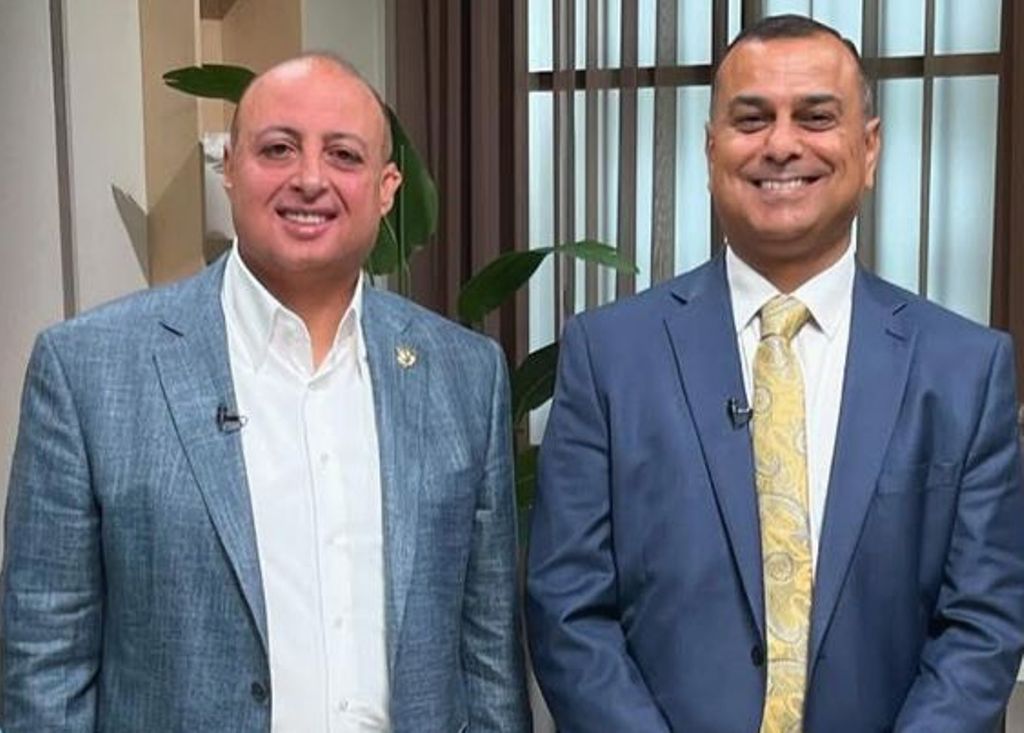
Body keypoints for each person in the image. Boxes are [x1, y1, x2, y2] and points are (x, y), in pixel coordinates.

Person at [2, 54, 529, 732]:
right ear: (229, 168)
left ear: (387, 187)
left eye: (343, 155)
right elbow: (44, 664)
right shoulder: (88, 370)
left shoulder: (465, 375)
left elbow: (488, 656)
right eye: (278, 149)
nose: (309, 178)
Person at [526, 14, 1024, 732]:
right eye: (752, 118)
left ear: (869, 148)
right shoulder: (607, 356)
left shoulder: (966, 370)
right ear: (711, 150)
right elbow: (569, 608)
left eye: (816, 117)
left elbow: (981, 624)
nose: (782, 144)